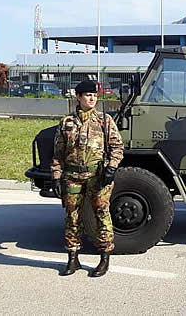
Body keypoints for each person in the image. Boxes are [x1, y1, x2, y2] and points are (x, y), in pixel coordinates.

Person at [51, 80, 124, 277]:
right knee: (72, 217)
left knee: (102, 215)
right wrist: (56, 177)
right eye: (87, 95)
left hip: (97, 176)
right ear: (78, 97)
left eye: (95, 95)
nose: (92, 98)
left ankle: (104, 258)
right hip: (72, 177)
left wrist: (111, 167)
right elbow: (58, 153)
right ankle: (73, 259)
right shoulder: (66, 123)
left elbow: (117, 147)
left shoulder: (104, 120)